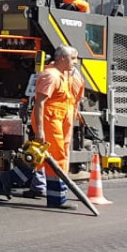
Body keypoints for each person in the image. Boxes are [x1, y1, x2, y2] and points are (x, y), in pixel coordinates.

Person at [27, 45, 85, 206]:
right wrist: (40, 131)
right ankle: (56, 199)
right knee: (56, 158)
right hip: (51, 120)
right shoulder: (51, 76)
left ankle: (13, 177)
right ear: (61, 58)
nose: (76, 62)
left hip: (61, 121)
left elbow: (73, 99)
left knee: (49, 156)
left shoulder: (67, 75)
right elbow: (40, 104)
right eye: (73, 58)